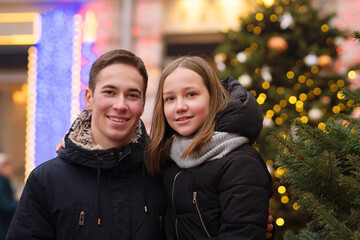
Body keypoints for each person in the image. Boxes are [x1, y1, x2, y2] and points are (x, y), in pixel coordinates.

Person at [6, 49, 166, 240]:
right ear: (89, 99)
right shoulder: (47, 181)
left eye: (132, 95)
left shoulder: (162, 173)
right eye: (109, 92)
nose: (121, 105)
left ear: (142, 104)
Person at [145, 56, 273, 239]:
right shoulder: (166, 159)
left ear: (213, 97)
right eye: (170, 98)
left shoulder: (240, 163)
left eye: (191, 94)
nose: (180, 107)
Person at [0, 154, 18, 240]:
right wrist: (21, 203)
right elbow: (5, 205)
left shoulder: (5, 181)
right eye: (7, 165)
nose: (11, 167)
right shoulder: (2, 182)